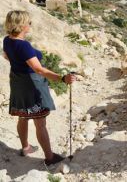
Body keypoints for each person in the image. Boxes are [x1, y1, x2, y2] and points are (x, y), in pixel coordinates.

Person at [2, 10, 77, 166]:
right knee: (39, 122)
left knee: (22, 116)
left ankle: (26, 147)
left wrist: (19, 63)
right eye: (29, 22)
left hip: (17, 81)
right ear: (22, 25)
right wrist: (62, 78)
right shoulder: (24, 46)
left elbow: (6, 56)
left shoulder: (7, 40)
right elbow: (39, 70)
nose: (30, 25)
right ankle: (50, 158)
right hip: (32, 85)